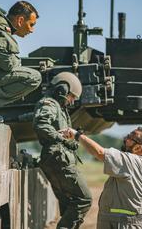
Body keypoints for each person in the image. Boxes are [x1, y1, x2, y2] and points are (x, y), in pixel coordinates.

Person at [61, 126, 142, 229]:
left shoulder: (133, 161)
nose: (126, 138)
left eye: (131, 137)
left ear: (138, 148)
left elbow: (100, 152)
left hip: (124, 224)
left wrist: (77, 135)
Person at [33, 72, 92, 229]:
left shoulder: (56, 107)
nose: (72, 101)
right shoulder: (50, 104)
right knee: (84, 199)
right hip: (58, 159)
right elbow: (42, 125)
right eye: (71, 96)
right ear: (62, 89)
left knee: (68, 203)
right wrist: (62, 139)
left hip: (56, 158)